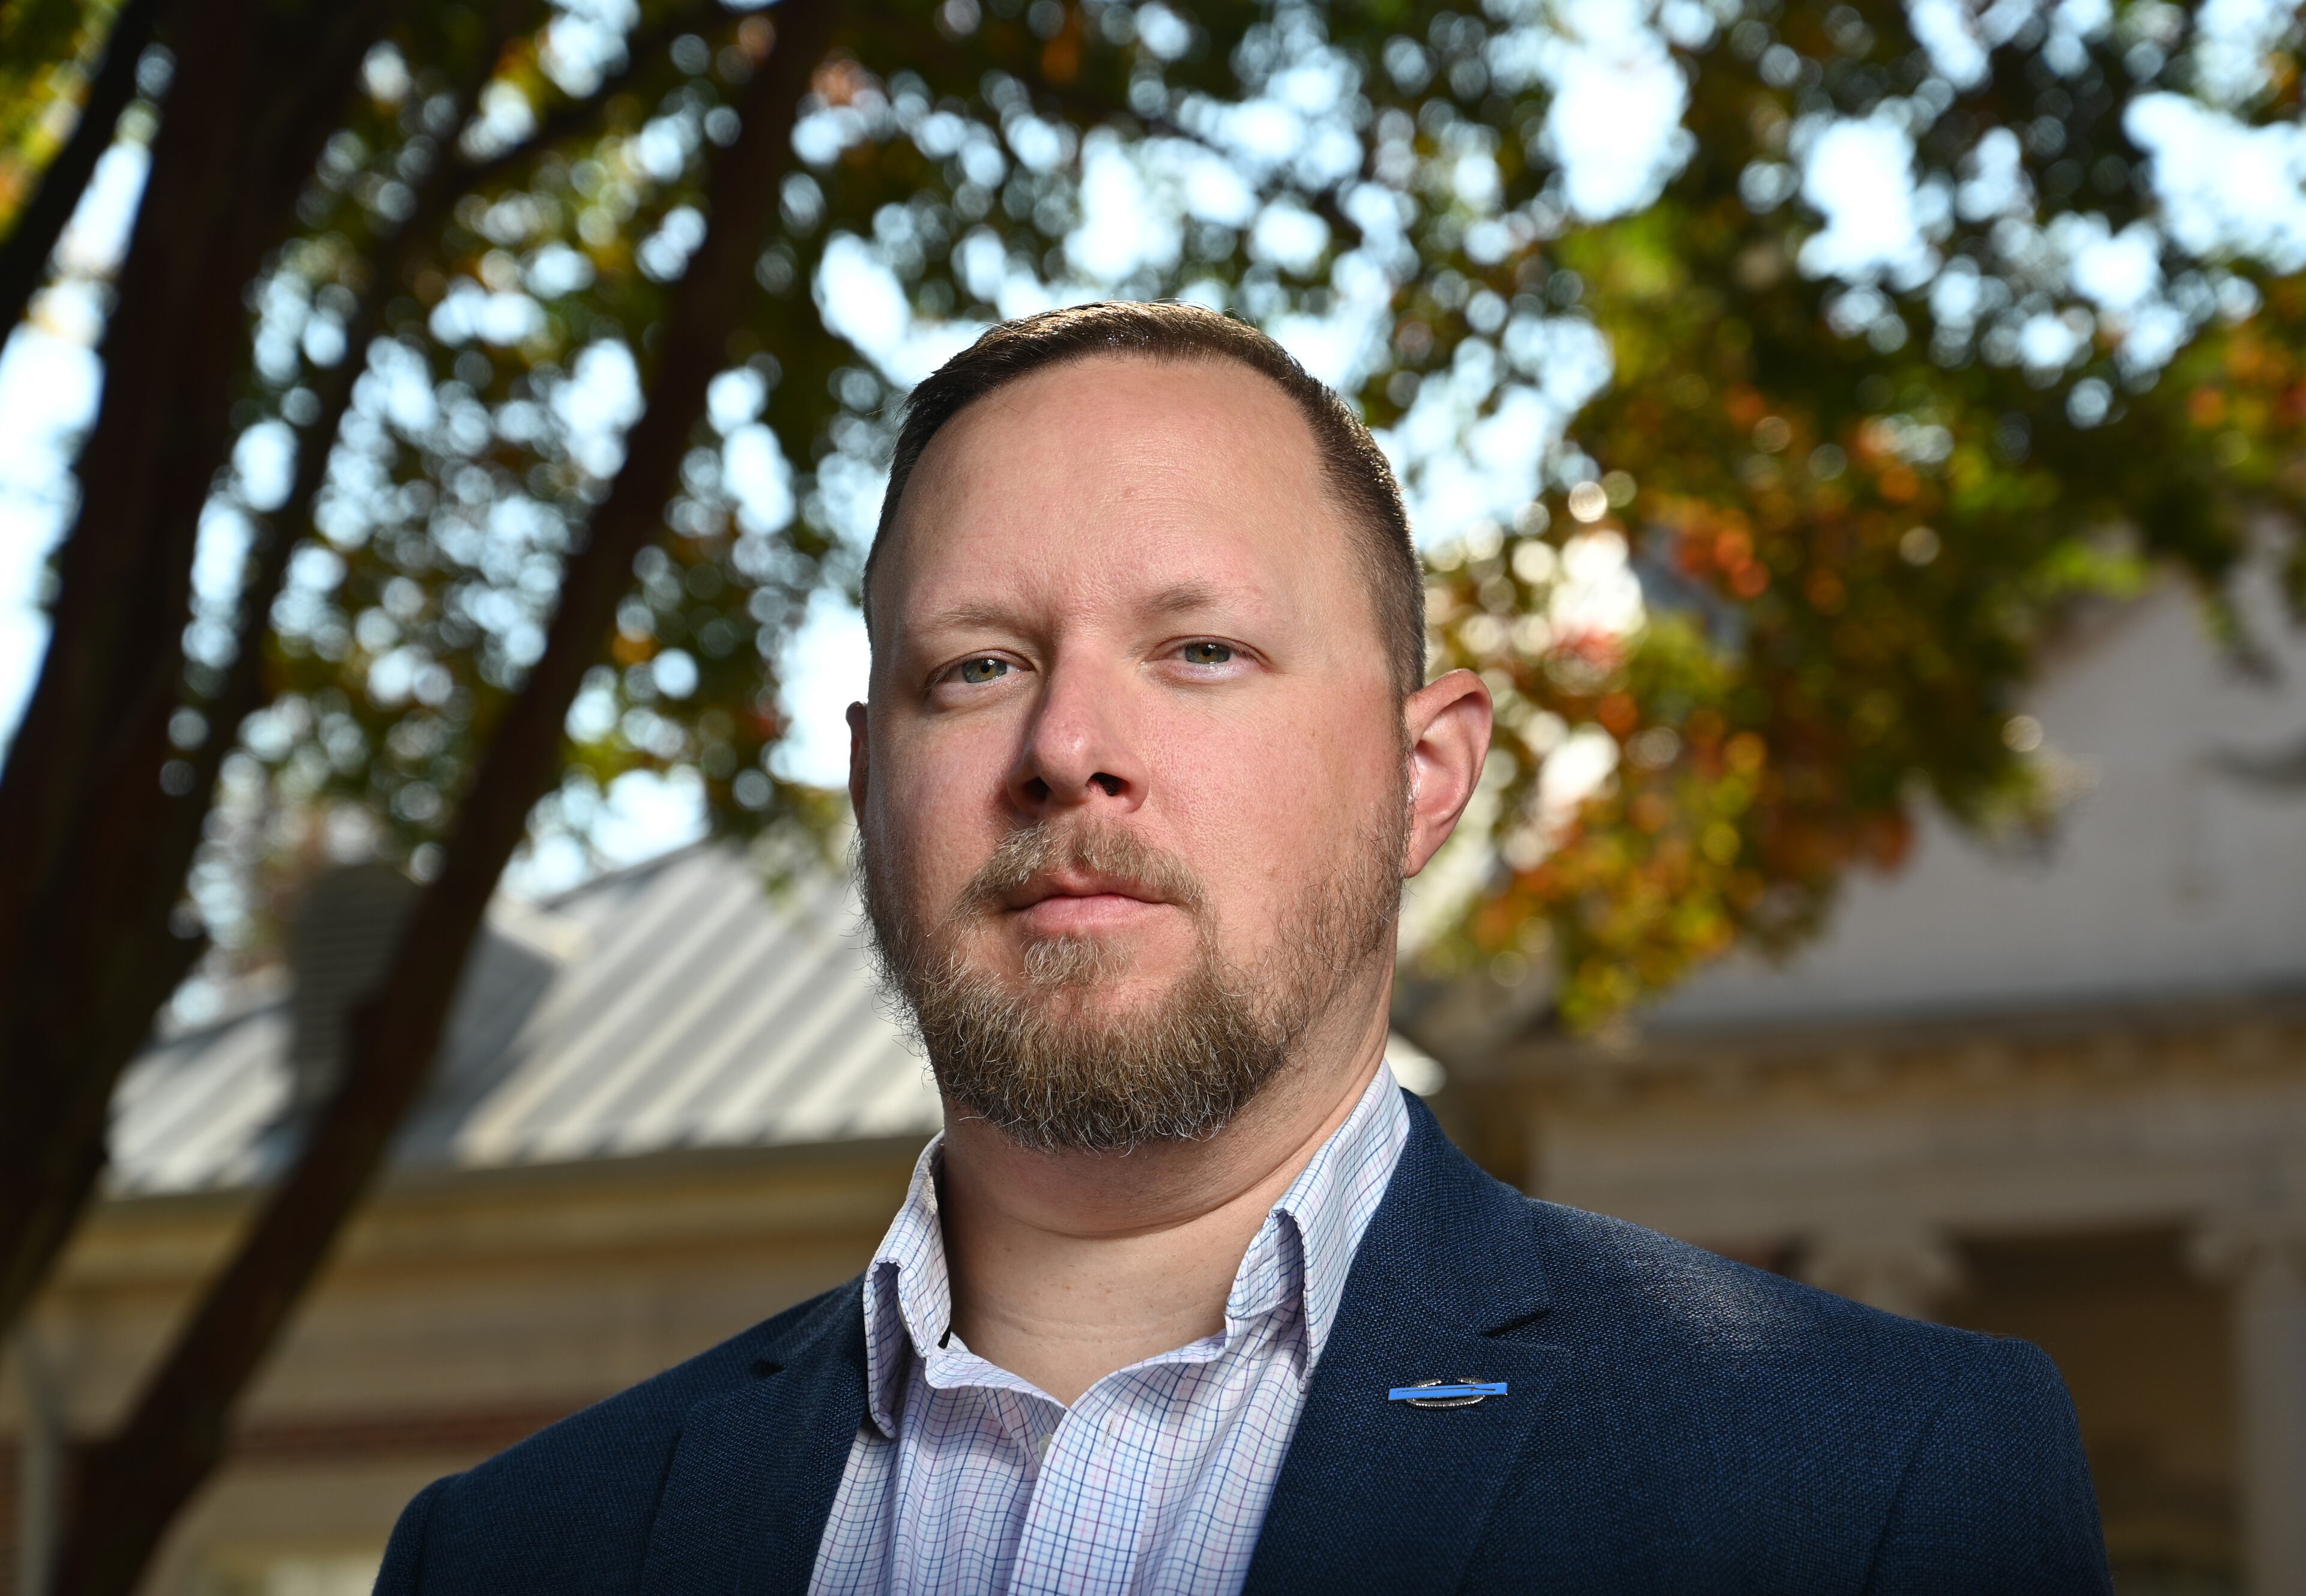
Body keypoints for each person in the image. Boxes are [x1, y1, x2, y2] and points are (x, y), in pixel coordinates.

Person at [374, 301, 2110, 1595]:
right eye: (974, 663)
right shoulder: (518, 1552)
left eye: (1199, 648)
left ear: (1421, 775)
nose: (1067, 744)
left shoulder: (1876, 1488)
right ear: (867, 782)